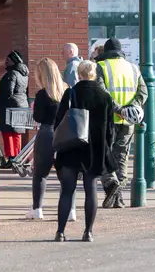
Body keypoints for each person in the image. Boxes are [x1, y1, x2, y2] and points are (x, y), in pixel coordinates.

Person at [53, 61, 115, 242]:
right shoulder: (104, 96)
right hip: (94, 149)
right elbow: (110, 129)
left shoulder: (70, 93)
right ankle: (88, 232)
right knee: (91, 190)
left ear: (79, 74)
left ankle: (61, 232)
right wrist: (106, 148)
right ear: (94, 74)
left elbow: (59, 121)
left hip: (70, 146)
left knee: (67, 190)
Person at [95, 38, 147, 209]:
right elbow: (143, 91)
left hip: (108, 119)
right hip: (128, 121)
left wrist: (118, 109)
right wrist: (133, 107)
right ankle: (118, 199)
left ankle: (111, 185)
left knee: (104, 155)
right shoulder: (133, 68)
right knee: (121, 157)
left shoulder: (101, 67)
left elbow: (102, 92)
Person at [26, 58, 68, 220]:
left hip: (46, 133)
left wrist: (35, 107)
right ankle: (70, 209)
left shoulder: (42, 94)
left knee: (40, 174)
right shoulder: (67, 91)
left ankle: (37, 209)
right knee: (65, 174)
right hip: (64, 134)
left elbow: (38, 117)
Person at [0, 51, 29, 168]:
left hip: (10, 106)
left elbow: (7, 91)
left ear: (14, 61)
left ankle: (11, 157)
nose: (5, 62)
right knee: (17, 133)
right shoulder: (24, 74)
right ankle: (17, 157)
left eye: (7, 60)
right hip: (22, 105)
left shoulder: (12, 73)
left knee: (7, 132)